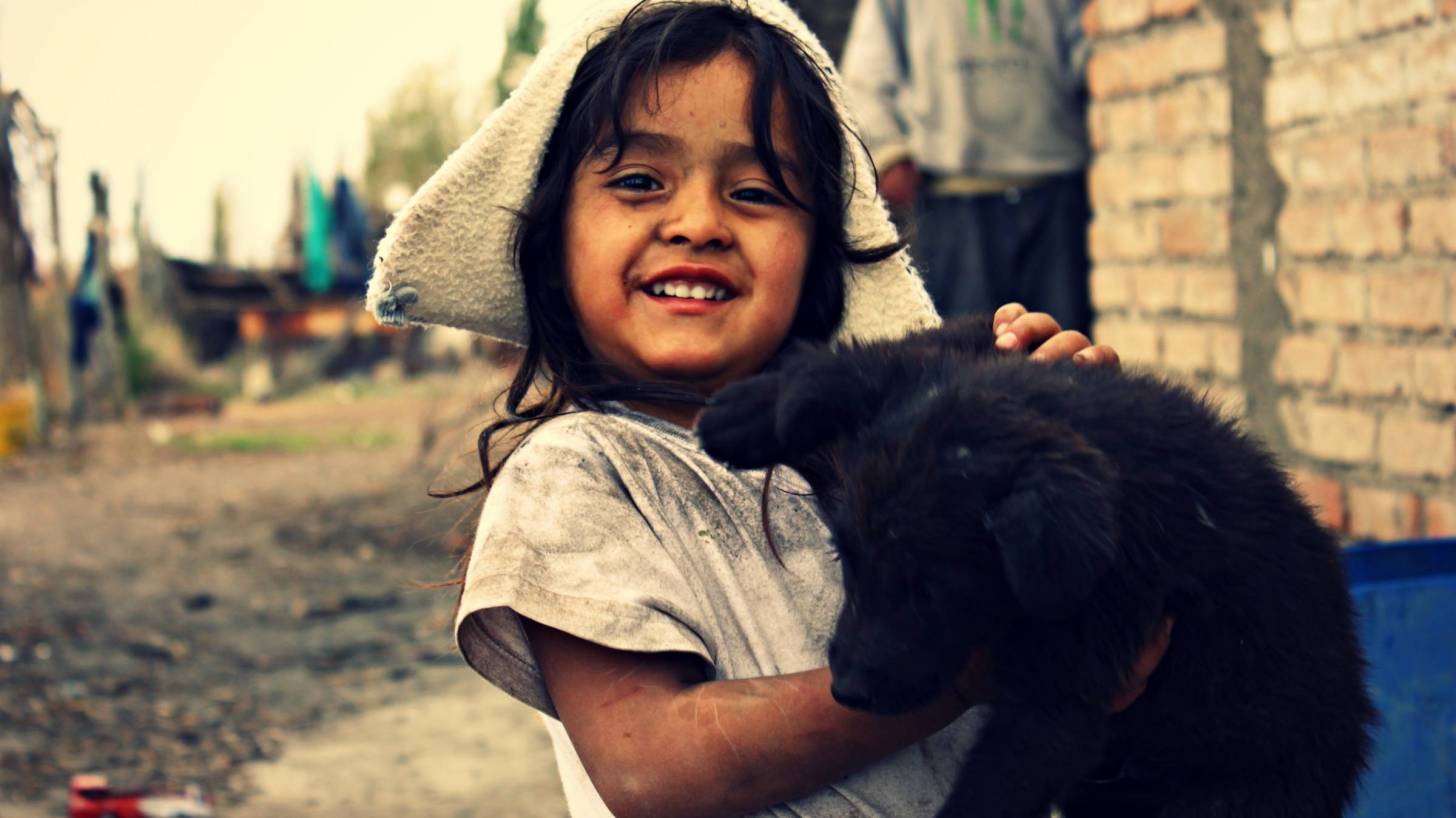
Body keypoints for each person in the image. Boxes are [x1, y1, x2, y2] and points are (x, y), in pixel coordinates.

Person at [364, 2, 1162, 816]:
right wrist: (953, 673)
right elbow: (651, 766)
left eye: (755, 191)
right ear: (551, 242)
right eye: (640, 182)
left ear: (818, 259)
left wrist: (1073, 468)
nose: (701, 223)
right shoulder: (578, 476)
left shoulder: (885, 451)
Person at [840, 0, 1093, 332]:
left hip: (1057, 197)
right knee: (967, 363)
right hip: (954, 205)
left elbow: (1092, 50)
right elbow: (865, 76)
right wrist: (888, 153)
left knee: (1065, 359)